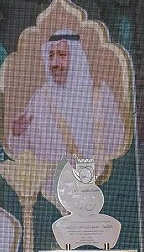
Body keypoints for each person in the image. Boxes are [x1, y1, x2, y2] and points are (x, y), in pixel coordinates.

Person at [7, 30, 128, 173]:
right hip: (50, 181)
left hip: (93, 180)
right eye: (51, 56)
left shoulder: (99, 94)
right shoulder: (40, 98)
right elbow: (21, 153)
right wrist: (17, 134)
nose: (54, 63)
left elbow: (116, 144)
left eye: (62, 55)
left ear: (76, 58)